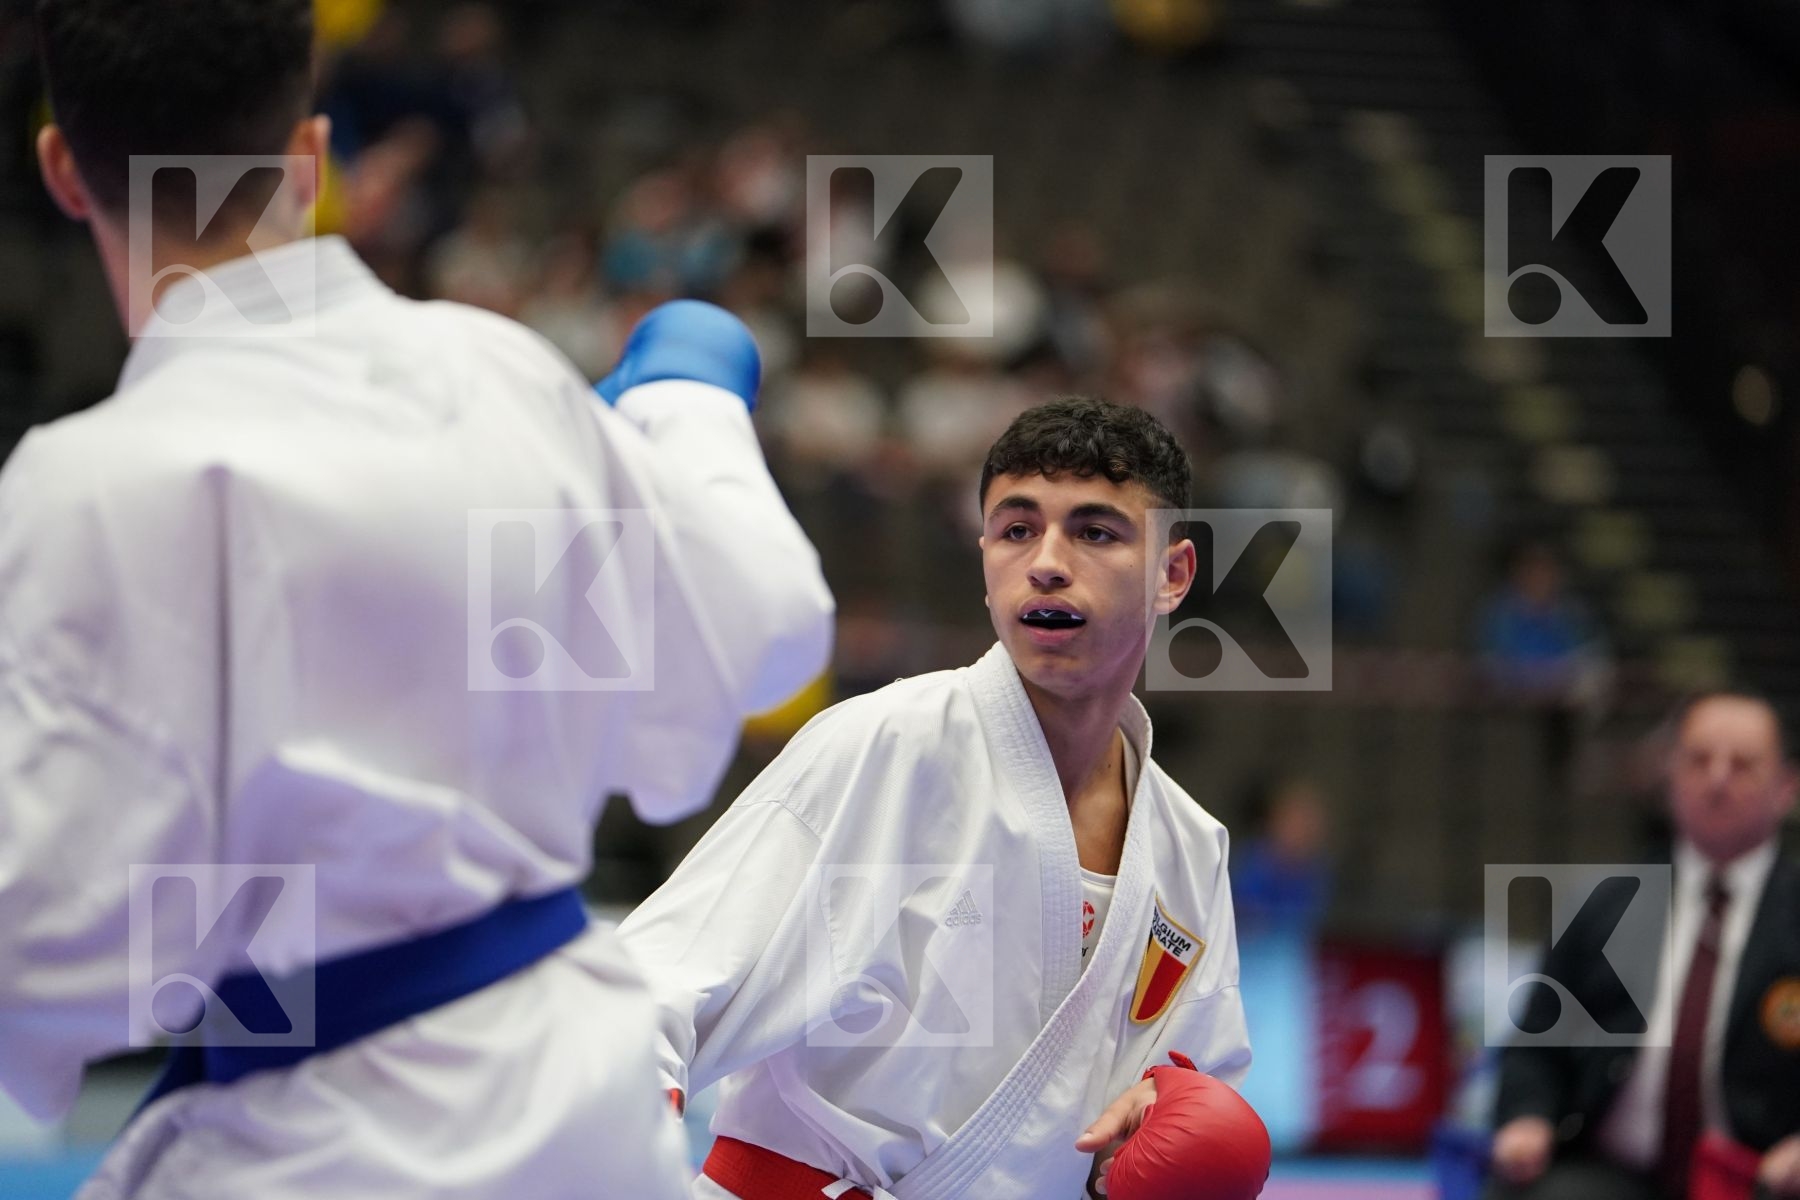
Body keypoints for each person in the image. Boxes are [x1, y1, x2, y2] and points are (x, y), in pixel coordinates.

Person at [2, 2, 834, 1197]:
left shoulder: (86, 488)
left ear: (63, 172)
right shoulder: (498, 372)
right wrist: (689, 406)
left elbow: (44, 948)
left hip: (315, 1148)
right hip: (587, 1115)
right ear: (311, 153)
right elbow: (767, 627)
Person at [619, 396, 1254, 1200]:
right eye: (1017, 529)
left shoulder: (1190, 846)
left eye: (1095, 531)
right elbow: (655, 982)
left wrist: (1169, 1114)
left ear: (1173, 573)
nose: (1047, 561)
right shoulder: (886, 744)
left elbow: (1197, 1086)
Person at [1489, 693, 1800, 1200]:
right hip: (1613, 1175)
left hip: (1759, 1181)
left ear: (1786, 787)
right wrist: (1528, 1119)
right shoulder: (1605, 906)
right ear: (1671, 775)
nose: (1717, 779)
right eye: (1699, 760)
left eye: (1742, 765)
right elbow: (1536, 1046)